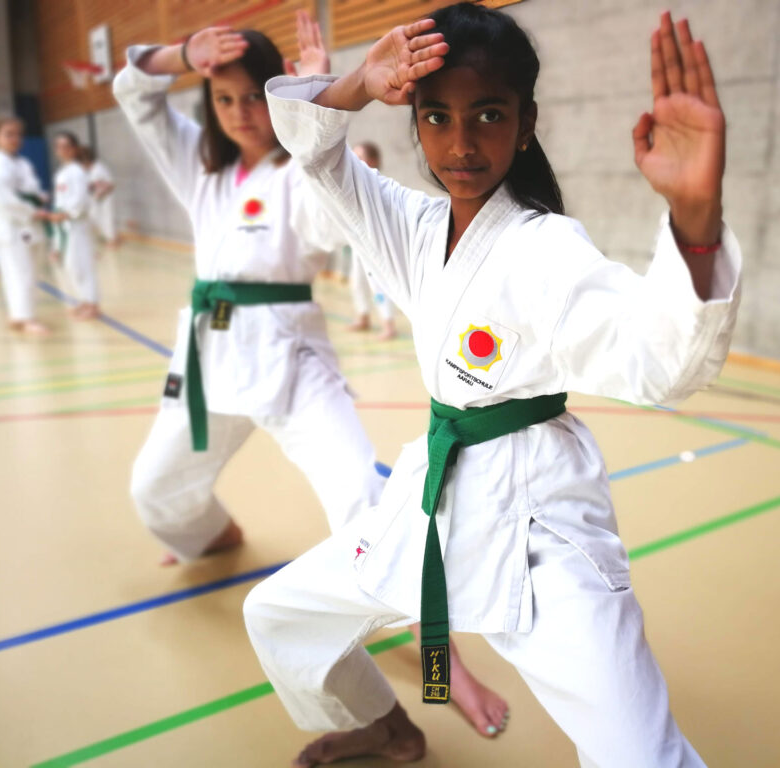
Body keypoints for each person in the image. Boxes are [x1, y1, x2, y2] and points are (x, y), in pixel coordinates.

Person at [244, 5, 740, 767]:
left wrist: (694, 214)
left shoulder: (546, 252)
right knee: (278, 613)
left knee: (639, 753)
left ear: (525, 121)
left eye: (488, 114)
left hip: (539, 529)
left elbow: (661, 363)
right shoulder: (412, 226)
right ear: (415, 119)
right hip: (433, 507)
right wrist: (355, 84)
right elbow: (316, 155)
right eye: (436, 116)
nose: (461, 142)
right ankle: (383, 724)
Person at [111, 24, 509, 738]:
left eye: (256, 99)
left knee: (362, 497)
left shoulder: (298, 169)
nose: (240, 113)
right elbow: (135, 93)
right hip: (210, 357)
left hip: (291, 362)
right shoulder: (200, 169)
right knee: (153, 490)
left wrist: (318, 117)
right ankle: (213, 534)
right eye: (224, 99)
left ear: (278, 98)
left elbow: (334, 213)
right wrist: (180, 56)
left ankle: (439, 655)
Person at [0, 117, 51, 335]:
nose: (15, 139)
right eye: (8, 134)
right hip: (11, 227)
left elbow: (32, 190)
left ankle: (17, 315)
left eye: (18, 134)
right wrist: (34, 210)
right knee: (20, 272)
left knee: (25, 272)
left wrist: (41, 197)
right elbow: (3, 200)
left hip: (27, 225)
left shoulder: (22, 163)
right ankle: (26, 318)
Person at [346, 141, 397, 340]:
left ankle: (388, 324)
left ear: (373, 161)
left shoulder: (379, 184)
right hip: (356, 241)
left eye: (360, 157)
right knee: (356, 282)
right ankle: (363, 316)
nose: (355, 161)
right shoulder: (351, 183)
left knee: (377, 284)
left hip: (374, 242)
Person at [51, 131, 100, 319]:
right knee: (72, 266)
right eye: (58, 147)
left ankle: (93, 304)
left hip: (77, 224)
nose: (62, 150)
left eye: (66, 146)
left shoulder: (78, 172)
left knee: (83, 265)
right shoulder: (62, 173)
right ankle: (84, 300)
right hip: (65, 225)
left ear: (75, 149)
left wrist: (65, 214)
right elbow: (61, 200)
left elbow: (81, 199)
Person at [81, 146, 119, 247]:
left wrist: (102, 192)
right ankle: (105, 237)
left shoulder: (100, 168)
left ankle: (112, 240)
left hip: (106, 198)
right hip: (95, 199)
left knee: (107, 218)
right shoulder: (87, 171)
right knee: (95, 217)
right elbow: (90, 185)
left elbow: (111, 184)